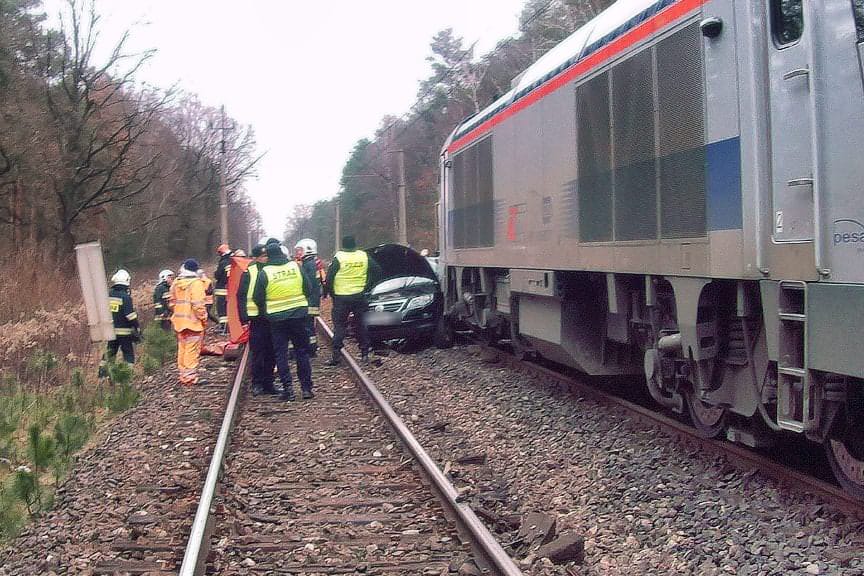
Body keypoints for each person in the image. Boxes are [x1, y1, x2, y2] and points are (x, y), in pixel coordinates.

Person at [253, 241, 314, 401]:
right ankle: (306, 389)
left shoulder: (265, 272)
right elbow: (308, 289)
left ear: (269, 256)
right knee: (302, 351)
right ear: (282, 253)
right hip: (298, 316)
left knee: (281, 353)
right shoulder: (295, 267)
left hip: (277, 319)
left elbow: (257, 298)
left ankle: (288, 390)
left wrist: (267, 310)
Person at [324, 235, 381, 365]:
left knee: (340, 326)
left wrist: (329, 293)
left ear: (343, 245)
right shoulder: (363, 256)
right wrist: (368, 285)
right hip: (359, 296)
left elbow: (329, 278)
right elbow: (377, 270)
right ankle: (365, 354)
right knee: (361, 324)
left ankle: (336, 356)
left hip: (341, 298)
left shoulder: (339, 257)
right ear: (355, 244)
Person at [238, 244, 277, 396]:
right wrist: (243, 317)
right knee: (258, 352)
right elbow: (241, 295)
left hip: (272, 316)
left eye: (266, 256)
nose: (266, 258)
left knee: (271, 351)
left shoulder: (272, 269)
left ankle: (269, 383)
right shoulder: (249, 272)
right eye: (263, 256)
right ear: (255, 257)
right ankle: (257, 383)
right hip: (257, 318)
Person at [170, 259, 209, 386]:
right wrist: (203, 318)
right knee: (192, 349)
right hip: (193, 323)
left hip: (179, 322)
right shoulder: (196, 283)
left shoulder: (176, 282)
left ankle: (183, 374)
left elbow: (172, 302)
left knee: (183, 348)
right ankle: (190, 377)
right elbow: (198, 305)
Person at [99, 269, 139, 376]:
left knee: (109, 353)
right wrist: (137, 326)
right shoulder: (125, 297)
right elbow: (130, 315)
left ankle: (103, 376)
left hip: (111, 332)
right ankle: (126, 378)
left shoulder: (109, 295)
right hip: (124, 333)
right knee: (128, 354)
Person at [294, 238, 322, 357]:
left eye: (300, 250)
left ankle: (310, 349)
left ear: (307, 250)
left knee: (307, 326)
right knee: (309, 325)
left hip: (309, 301)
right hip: (312, 300)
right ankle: (311, 347)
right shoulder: (310, 263)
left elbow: (307, 284)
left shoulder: (308, 265)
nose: (297, 253)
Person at [214, 244, 233, 334]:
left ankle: (224, 328)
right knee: (229, 309)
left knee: (221, 309)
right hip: (232, 289)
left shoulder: (223, 262)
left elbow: (218, 275)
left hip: (222, 290)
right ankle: (229, 327)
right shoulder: (234, 260)